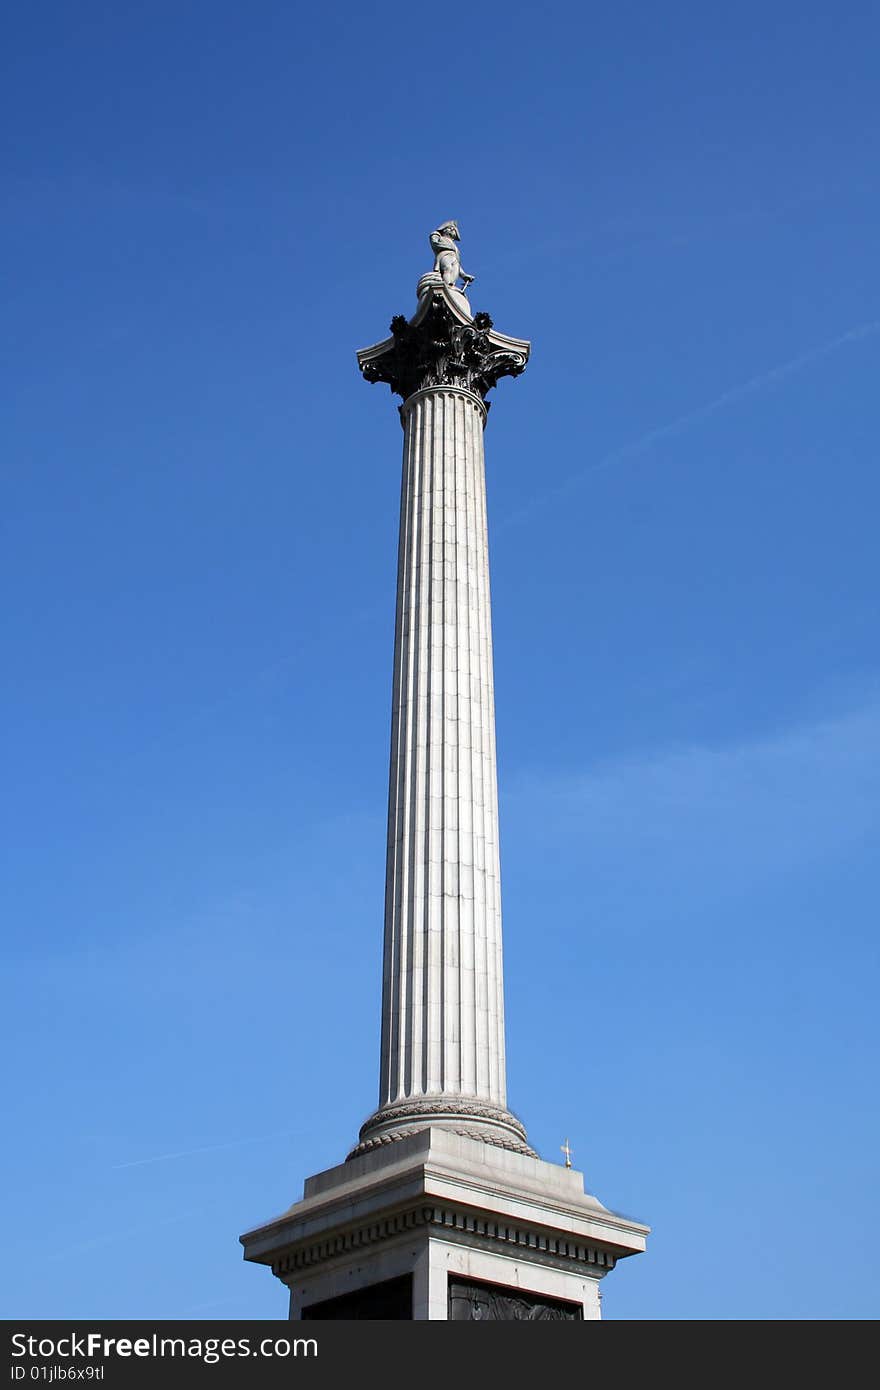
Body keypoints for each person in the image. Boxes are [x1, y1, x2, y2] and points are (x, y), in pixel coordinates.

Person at [430, 221, 475, 290]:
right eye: (449, 228)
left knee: (455, 271)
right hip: (444, 255)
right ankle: (446, 285)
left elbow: (458, 265)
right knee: (447, 268)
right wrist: (436, 234)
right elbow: (434, 243)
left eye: (453, 229)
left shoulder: (455, 248)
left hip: (454, 258)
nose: (451, 230)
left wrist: (463, 275)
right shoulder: (440, 238)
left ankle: (451, 286)